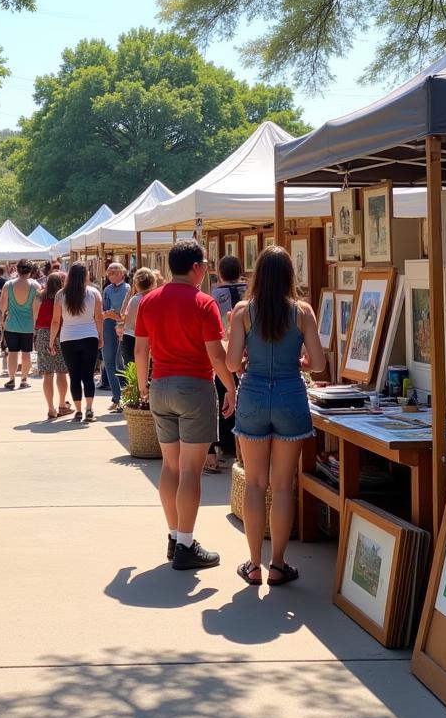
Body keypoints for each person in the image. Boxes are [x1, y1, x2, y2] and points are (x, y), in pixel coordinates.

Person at [135, 239, 237, 571]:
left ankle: (174, 535)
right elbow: (217, 356)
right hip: (194, 386)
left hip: (160, 384)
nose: (206, 270)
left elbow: (140, 351)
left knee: (170, 466)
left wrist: (142, 388)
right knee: (192, 470)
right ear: (195, 267)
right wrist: (231, 389)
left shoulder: (149, 301)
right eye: (205, 265)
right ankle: (186, 543)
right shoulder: (203, 302)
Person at [226, 245, 323, 587]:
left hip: (252, 393)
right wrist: (298, 362)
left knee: (254, 484)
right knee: (283, 486)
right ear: (289, 276)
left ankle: (253, 564)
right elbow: (320, 363)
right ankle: (278, 565)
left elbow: (232, 363)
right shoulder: (302, 311)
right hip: (290, 394)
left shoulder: (242, 312)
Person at [208, 255, 249, 472]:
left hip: (224, 347)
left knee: (224, 389)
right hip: (248, 350)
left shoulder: (215, 295)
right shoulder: (250, 291)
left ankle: (226, 440)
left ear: (220, 273)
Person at [50, 262, 103, 422]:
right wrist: (101, 336)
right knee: (88, 375)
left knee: (74, 376)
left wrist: (52, 341)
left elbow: (55, 321)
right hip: (89, 336)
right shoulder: (93, 293)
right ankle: (89, 409)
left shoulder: (61, 294)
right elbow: (99, 318)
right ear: (85, 275)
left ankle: (78, 410)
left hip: (68, 338)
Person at [33, 271, 72, 418]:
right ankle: (62, 404)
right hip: (62, 333)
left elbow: (35, 316)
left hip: (43, 334)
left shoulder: (39, 296)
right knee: (62, 372)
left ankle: (51, 408)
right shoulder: (63, 296)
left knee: (47, 374)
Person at [0, 259, 40, 389]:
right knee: (26, 353)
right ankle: (24, 379)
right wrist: (35, 326)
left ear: (17, 269)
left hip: (11, 325)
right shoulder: (35, 286)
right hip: (28, 326)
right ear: (31, 271)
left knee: (12, 352)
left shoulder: (8, 285)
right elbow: (36, 309)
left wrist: (1, 323)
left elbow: (1, 308)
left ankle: (11, 379)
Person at [101, 262, 130, 413]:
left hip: (123, 326)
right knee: (109, 361)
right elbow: (103, 309)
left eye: (114, 270)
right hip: (108, 326)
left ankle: (127, 397)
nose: (110, 273)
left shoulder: (128, 289)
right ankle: (116, 397)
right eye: (109, 271)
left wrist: (117, 316)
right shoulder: (107, 289)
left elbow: (129, 312)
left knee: (123, 363)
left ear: (122, 273)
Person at [119, 267, 157, 371]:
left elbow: (123, 315)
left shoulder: (135, 300)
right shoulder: (156, 299)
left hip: (131, 338)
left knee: (133, 374)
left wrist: (130, 293)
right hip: (150, 339)